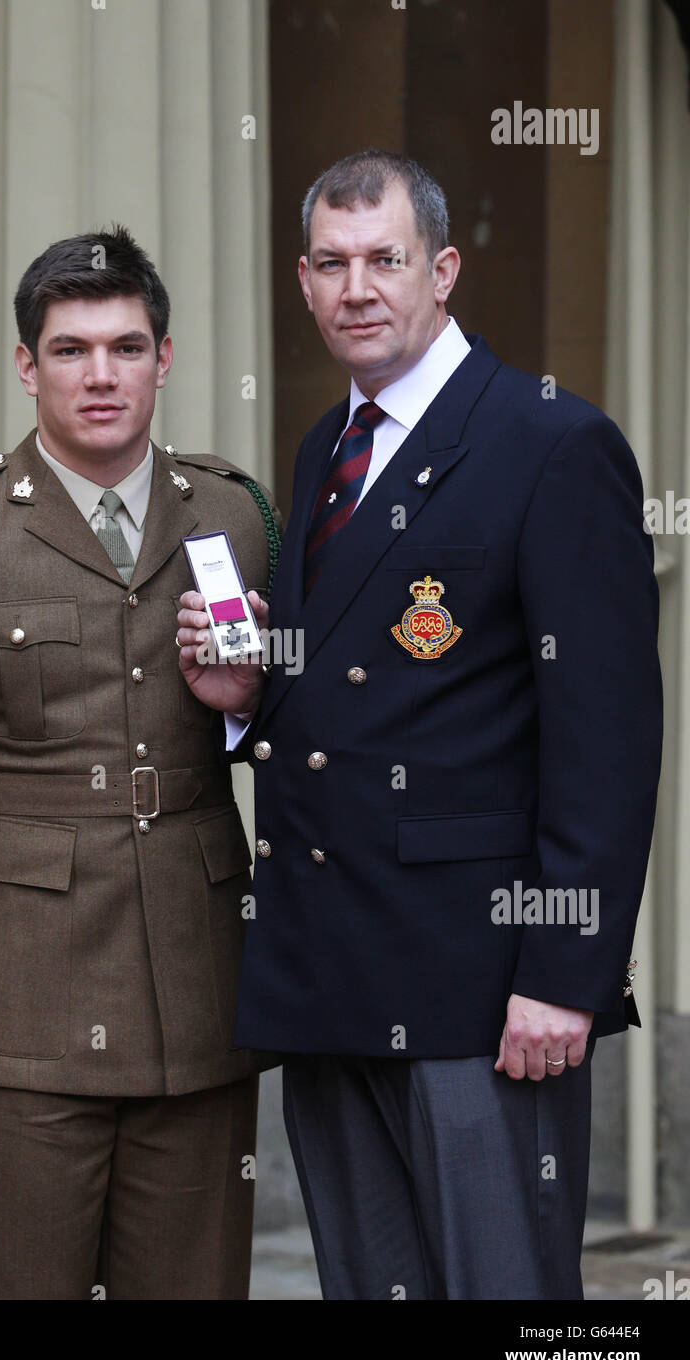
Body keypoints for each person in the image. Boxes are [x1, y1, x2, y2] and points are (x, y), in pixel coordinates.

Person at [177, 150, 662, 1300]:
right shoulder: (324, 448)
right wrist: (246, 706)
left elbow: (607, 739)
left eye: (385, 260)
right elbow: (355, 696)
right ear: (302, 282)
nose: (359, 288)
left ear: (441, 271)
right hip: (331, 971)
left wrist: (565, 975)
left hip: (480, 988)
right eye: (333, 265)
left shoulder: (550, 443)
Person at [0, 225, 280, 1300]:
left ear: (164, 358)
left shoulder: (236, 514)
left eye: (126, 346)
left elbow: (294, 731)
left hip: (198, 983)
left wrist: (247, 707)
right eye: (70, 349)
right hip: (16, 1001)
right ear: (26, 367)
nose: (101, 374)